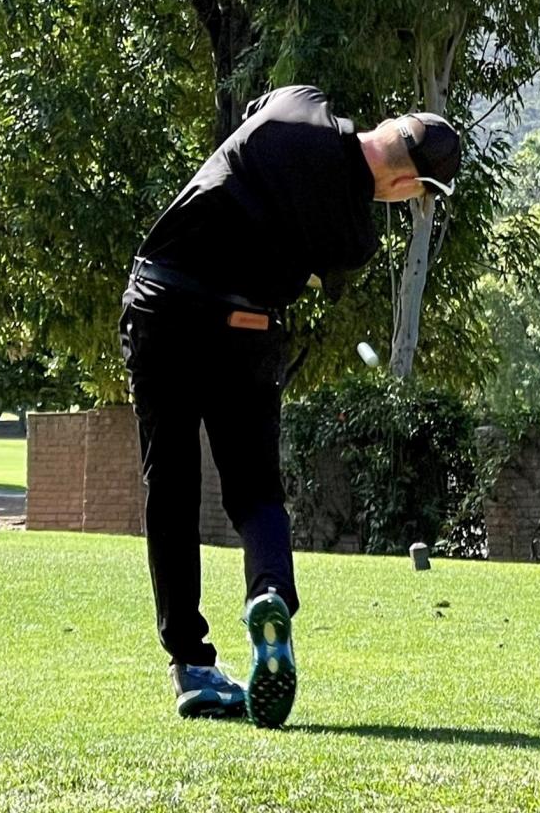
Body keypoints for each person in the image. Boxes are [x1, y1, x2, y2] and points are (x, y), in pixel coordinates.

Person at [118, 85, 461, 727]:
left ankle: (191, 667)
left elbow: (256, 118)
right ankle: (269, 593)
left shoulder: (296, 106)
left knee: (170, 487)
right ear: (408, 178)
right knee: (254, 494)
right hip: (245, 331)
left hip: (163, 306)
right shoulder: (355, 237)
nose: (403, 201)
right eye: (414, 194)